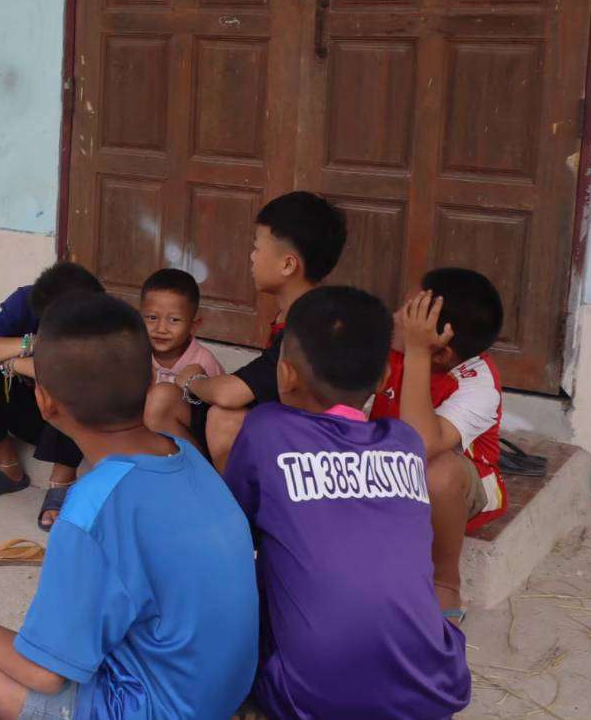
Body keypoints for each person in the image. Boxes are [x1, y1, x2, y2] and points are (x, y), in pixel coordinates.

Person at [0, 291, 258, 719]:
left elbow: (43, 673)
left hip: (157, 708)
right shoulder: (182, 453)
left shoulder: (92, 507)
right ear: (148, 383)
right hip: (216, 694)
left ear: (45, 401)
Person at [223, 286, 471, 718]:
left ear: (285, 374)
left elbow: (234, 536)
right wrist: (416, 351)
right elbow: (417, 433)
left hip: (312, 700)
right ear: (381, 381)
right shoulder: (403, 444)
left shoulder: (267, 430)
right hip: (434, 693)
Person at [145, 191, 346, 469]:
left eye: (257, 248)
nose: (252, 257)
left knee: (224, 418)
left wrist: (192, 381)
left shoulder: (311, 325)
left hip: (300, 451)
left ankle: (228, 506)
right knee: (162, 400)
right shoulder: (293, 312)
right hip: (269, 429)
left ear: (288, 264)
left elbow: (231, 393)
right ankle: (205, 489)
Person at [377, 270, 507, 622]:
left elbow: (417, 444)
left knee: (439, 470)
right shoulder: (389, 347)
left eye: (410, 316)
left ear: (442, 352)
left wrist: (416, 354)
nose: (395, 318)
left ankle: (445, 581)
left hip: (461, 487)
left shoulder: (477, 382)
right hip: (385, 470)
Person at [0, 261, 103, 531]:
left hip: (66, 426)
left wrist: (13, 363)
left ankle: (62, 483)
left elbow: (78, 377)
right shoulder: (28, 300)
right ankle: (6, 466)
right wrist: (29, 346)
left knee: (74, 386)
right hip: (25, 405)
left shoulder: (103, 323)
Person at [140, 267, 224, 384]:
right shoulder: (136, 354)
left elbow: (217, 399)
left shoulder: (204, 362)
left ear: (193, 326)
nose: (161, 329)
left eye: (174, 320)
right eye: (152, 318)